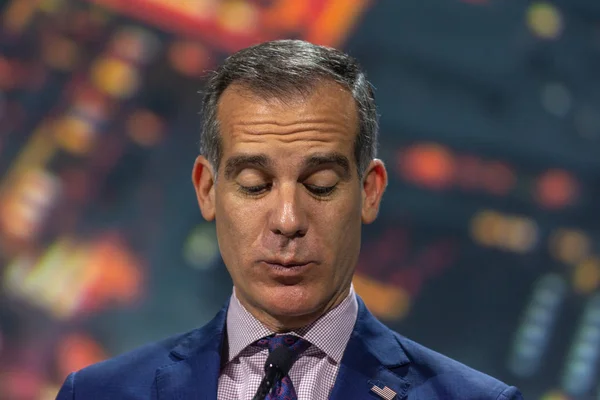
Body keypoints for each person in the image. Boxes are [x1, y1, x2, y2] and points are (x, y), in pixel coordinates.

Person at [56, 40, 523, 400]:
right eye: (255, 184)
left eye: (319, 184)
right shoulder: (99, 394)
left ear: (369, 191)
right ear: (207, 189)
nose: (287, 219)